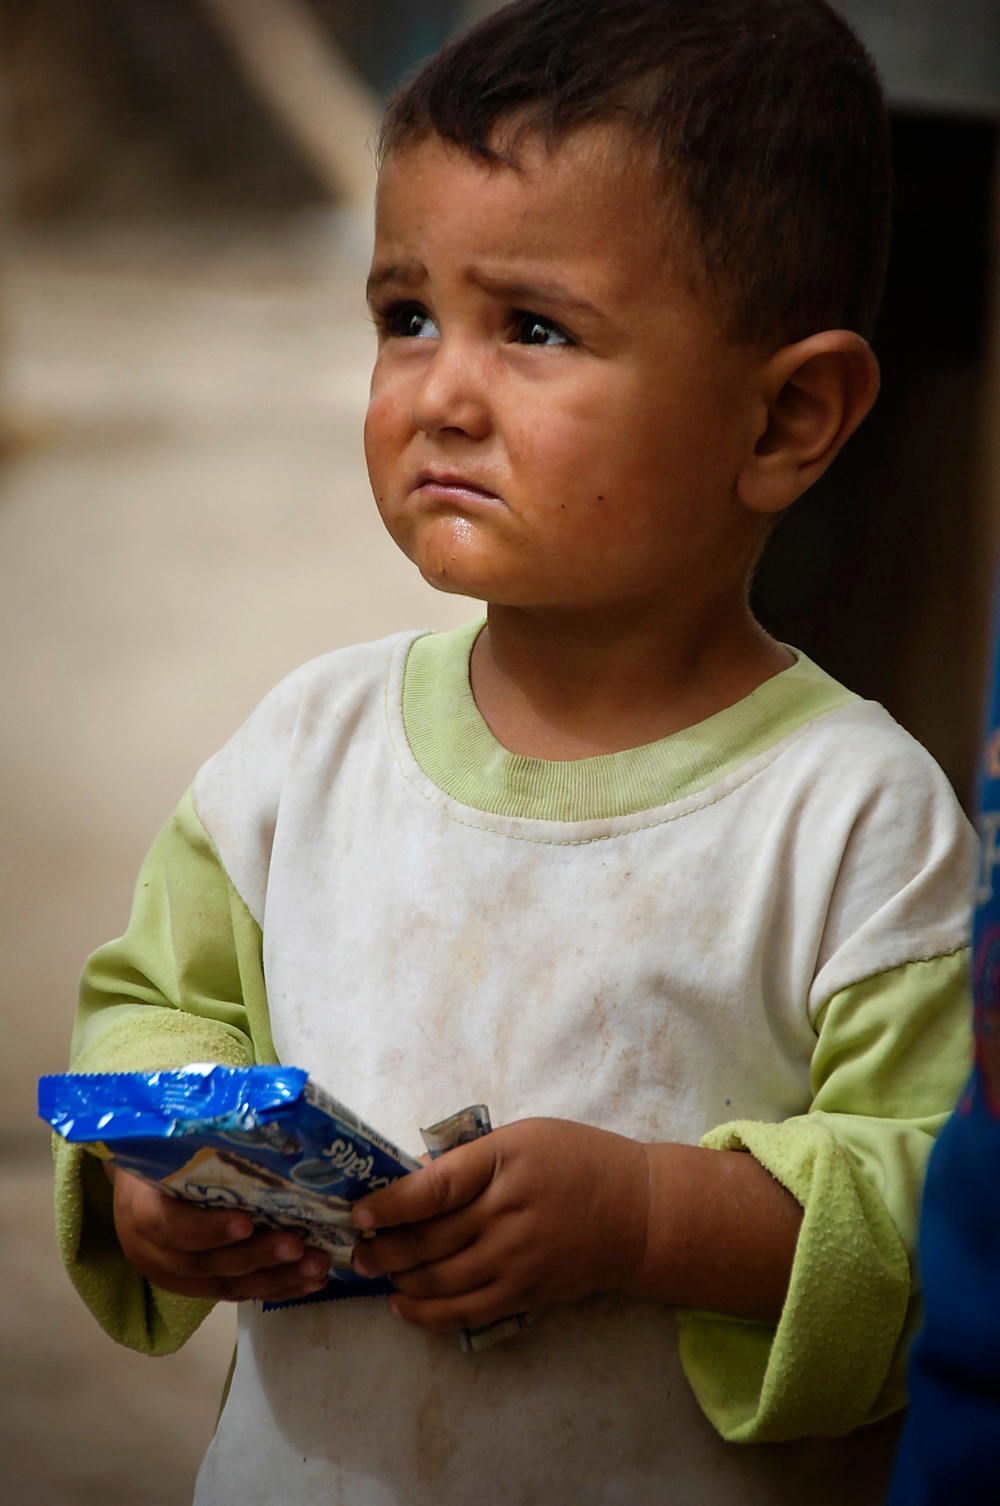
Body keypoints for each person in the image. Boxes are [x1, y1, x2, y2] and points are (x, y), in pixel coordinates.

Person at [52, 3, 976, 1502]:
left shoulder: (853, 820)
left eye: (534, 328)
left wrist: (654, 1218)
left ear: (788, 414)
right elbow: (152, 1005)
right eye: (405, 316)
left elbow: (936, 1217)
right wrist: (162, 1183)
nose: (442, 394)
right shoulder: (306, 749)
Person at [885, 616, 1000, 1504]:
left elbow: (902, 1187)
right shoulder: (352, 717)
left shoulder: (870, 807)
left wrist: (643, 1220)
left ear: (772, 462)